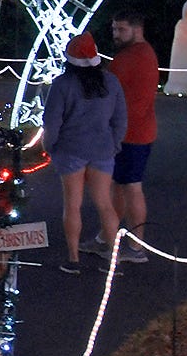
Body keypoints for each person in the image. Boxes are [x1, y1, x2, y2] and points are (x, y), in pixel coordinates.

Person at [40, 33, 127, 274]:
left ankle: (73, 258)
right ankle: (114, 259)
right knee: (105, 204)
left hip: (70, 150)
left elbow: (52, 122)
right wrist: (115, 143)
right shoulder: (111, 82)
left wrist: (50, 146)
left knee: (73, 204)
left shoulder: (62, 84)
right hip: (102, 149)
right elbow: (120, 119)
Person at [106, 15, 162, 263]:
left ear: (137, 29)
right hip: (134, 131)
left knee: (131, 187)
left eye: (121, 29)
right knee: (118, 185)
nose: (116, 34)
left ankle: (136, 247)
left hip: (131, 134)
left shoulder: (131, 58)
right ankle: (108, 237)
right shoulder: (144, 53)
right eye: (114, 29)